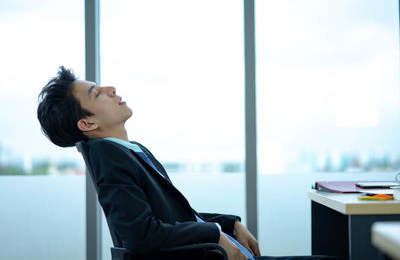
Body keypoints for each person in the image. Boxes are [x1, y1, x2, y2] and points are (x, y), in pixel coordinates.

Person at [37, 66, 338, 260]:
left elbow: (176, 218)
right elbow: (140, 234)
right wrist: (215, 234)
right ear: (86, 123)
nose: (111, 89)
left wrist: (228, 223)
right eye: (97, 93)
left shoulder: (130, 151)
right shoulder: (109, 156)